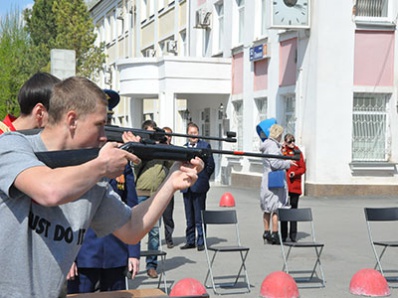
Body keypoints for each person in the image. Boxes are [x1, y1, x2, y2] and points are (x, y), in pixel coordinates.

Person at [0, 76, 204, 297]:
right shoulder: (12, 145)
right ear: (72, 120)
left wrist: (171, 182)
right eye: (99, 125)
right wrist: (100, 166)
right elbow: (49, 191)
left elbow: (132, 228)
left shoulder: (92, 174)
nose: (104, 136)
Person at [66, 90, 141, 294]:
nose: (103, 130)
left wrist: (133, 252)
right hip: (82, 254)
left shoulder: (120, 158)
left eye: (106, 121)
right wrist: (66, 257)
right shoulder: (73, 157)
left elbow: (131, 205)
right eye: (98, 122)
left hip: (116, 252)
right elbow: (63, 211)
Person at [134, 120, 173, 279]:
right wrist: (144, 146)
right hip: (141, 192)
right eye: (149, 133)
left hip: (156, 194)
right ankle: (132, 262)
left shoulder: (161, 147)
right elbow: (135, 163)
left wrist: (164, 144)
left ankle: (151, 265)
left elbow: (170, 164)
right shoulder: (140, 148)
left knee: (155, 232)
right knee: (135, 230)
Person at [180, 122, 215, 251]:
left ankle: (201, 241)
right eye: (191, 133)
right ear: (187, 134)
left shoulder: (205, 146)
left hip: (199, 185)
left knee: (199, 215)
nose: (193, 135)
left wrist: (203, 177)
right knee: (189, 215)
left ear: (198, 133)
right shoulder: (184, 147)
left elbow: (210, 165)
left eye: (195, 133)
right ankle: (190, 240)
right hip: (186, 185)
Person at [260, 124, 296, 245]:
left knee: (266, 208)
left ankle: (266, 232)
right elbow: (275, 163)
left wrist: (281, 147)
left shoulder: (268, 144)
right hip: (274, 181)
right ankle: (275, 234)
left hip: (267, 178)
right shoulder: (272, 146)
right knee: (275, 208)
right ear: (278, 134)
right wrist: (288, 163)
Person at [281, 133, 306, 242]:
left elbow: (303, 168)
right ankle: (283, 234)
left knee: (293, 210)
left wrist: (295, 173)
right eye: (289, 141)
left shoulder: (297, 151)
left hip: (294, 185)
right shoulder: (282, 151)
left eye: (293, 141)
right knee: (284, 210)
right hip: (284, 185)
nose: (292, 143)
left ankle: (293, 235)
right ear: (285, 141)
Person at [162, 126, 175, 249]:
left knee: (168, 216)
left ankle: (169, 238)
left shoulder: (173, 149)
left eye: (170, 135)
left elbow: (173, 164)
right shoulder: (155, 147)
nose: (167, 137)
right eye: (165, 135)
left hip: (168, 185)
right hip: (156, 186)